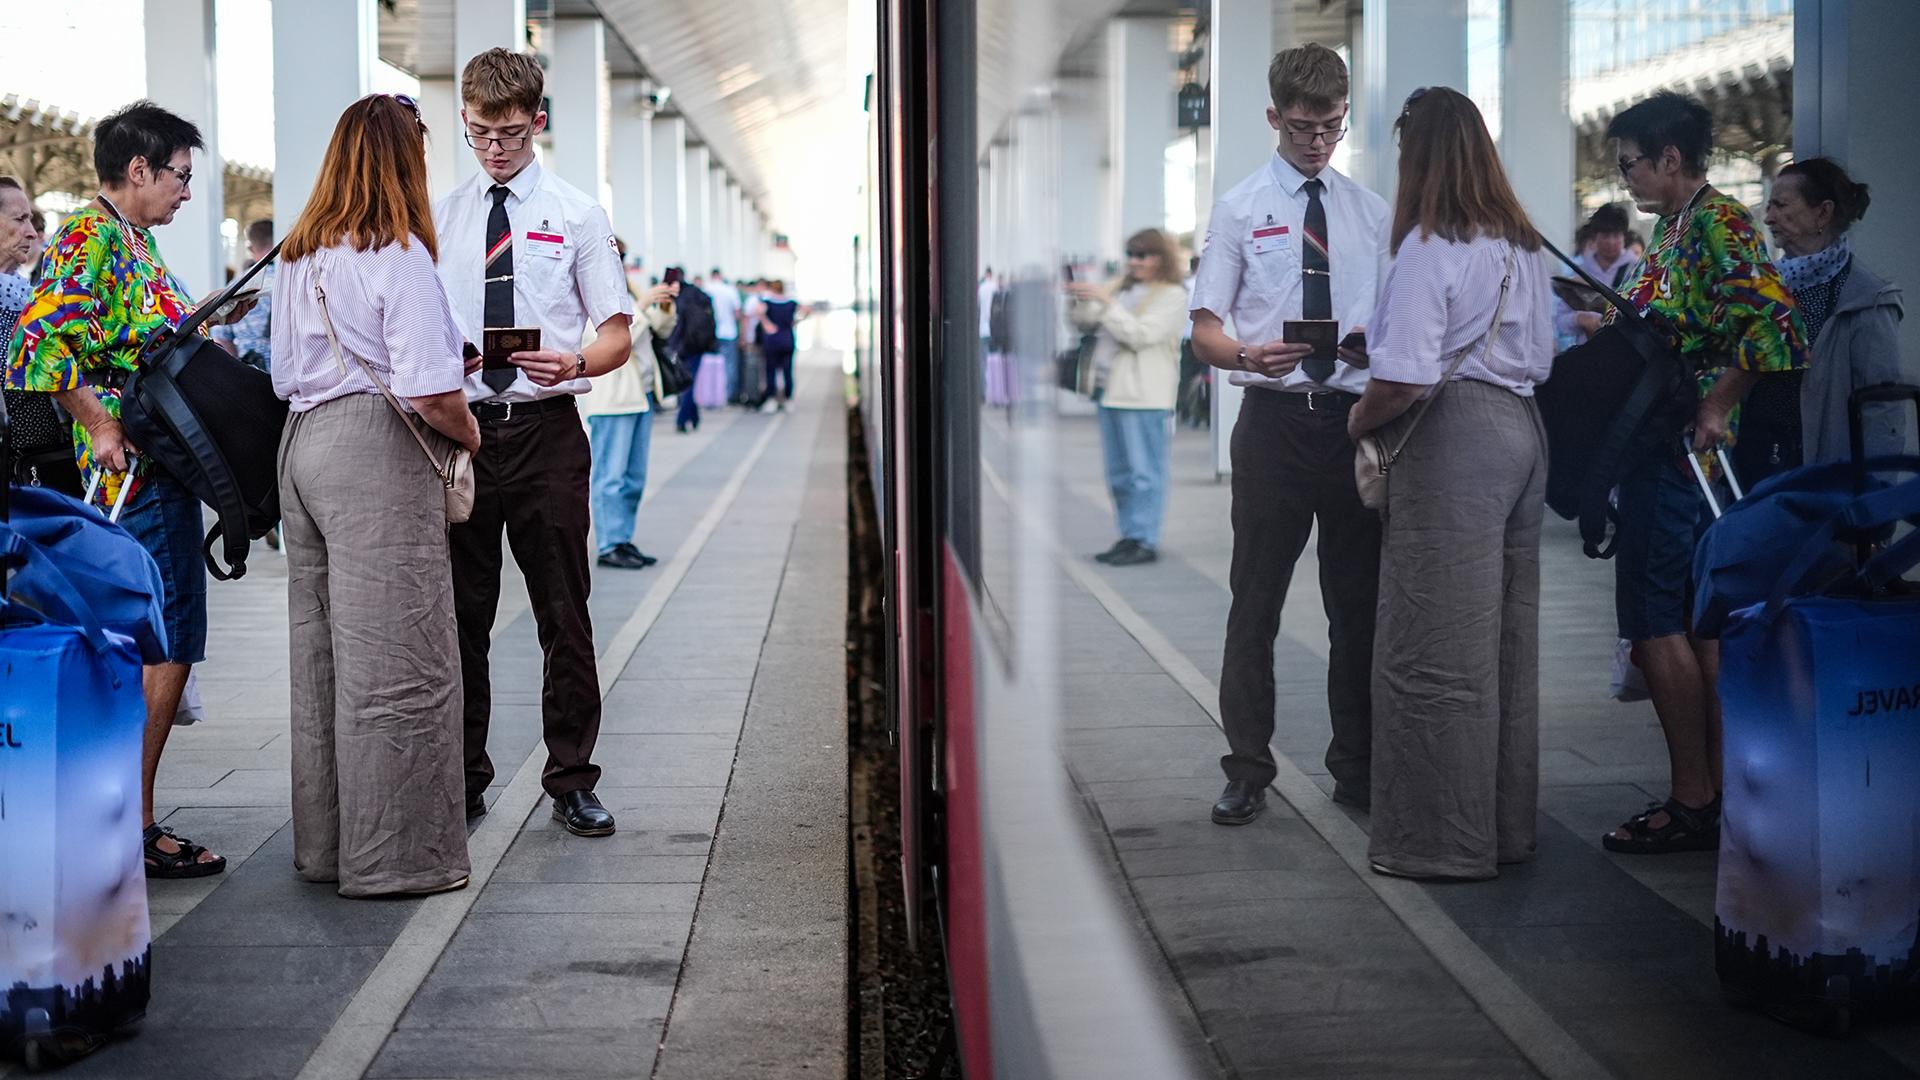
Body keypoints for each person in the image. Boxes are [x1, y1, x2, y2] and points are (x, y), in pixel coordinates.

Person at [5, 101, 259, 877]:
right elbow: (35, 342)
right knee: (164, 639)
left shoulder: (133, 240)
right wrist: (99, 422)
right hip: (134, 472)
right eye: (180, 175)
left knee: (168, 636)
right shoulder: (90, 235)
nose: (188, 190)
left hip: (161, 465)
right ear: (139, 169)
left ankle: (123, 815)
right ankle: (128, 824)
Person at [1343, 87, 1555, 880]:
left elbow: (1403, 378)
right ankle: (1505, 828)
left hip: (1455, 441)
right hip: (1523, 436)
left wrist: (1358, 421)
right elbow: (1540, 353)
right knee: (1506, 641)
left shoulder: (1431, 246)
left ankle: (1438, 843)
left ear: (1416, 157)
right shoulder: (1524, 244)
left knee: (1434, 646)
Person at [270, 93, 478, 897]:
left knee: (320, 656)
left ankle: (326, 847)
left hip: (301, 450)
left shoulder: (296, 254)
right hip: (372, 453)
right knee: (399, 658)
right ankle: (397, 858)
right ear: (405, 163)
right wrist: (471, 435)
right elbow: (429, 388)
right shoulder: (396, 254)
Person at [1188, 44, 1391, 825]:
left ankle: (1358, 766)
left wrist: (1380, 349)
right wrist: (1246, 354)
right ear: (1274, 117)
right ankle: (1246, 767)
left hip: (1351, 423)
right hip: (1272, 425)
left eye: (1332, 127)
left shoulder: (1370, 213)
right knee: (1255, 604)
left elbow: (1398, 318)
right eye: (1305, 127)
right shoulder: (1240, 208)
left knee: (1359, 607)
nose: (1319, 142)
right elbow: (1205, 330)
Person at [1601, 90, 1807, 855]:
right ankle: (1716, 791)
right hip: (1668, 444)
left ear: (1670, 159)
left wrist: (1719, 402)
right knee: (1698, 621)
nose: (1623, 177)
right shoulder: (1674, 230)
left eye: (1630, 164)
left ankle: (1692, 796)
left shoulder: (1717, 224)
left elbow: (1776, 321)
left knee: (1656, 619)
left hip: (1685, 452)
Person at [434, 49, 634, 836]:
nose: (495, 149)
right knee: (460, 616)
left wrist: (576, 361)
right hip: (463, 435)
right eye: (482, 134)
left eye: (510, 135)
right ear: (464, 123)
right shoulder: (440, 215)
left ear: (538, 122)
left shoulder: (578, 214)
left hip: (547, 430)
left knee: (564, 610)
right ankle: (462, 775)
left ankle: (572, 778)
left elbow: (617, 335)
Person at [1764, 158, 1907, 466]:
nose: (1768, 218)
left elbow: (1882, 410)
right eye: (1769, 206)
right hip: (1760, 465)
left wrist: (1873, 494)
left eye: (1781, 206)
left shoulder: (1866, 298)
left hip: (1824, 482)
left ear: (1823, 213)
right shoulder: (1767, 286)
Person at [1068, 227, 1188, 566]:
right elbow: (1085, 322)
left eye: (1142, 255)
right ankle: (1129, 534)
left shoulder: (1172, 295)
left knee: (1144, 472)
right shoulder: (1122, 288)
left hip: (1145, 395)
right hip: (1110, 392)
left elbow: (1140, 335)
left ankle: (1145, 538)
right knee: (1119, 473)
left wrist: (1107, 304)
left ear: (1160, 259)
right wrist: (1082, 298)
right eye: (1131, 254)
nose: (1134, 262)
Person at [584, 240, 678, 570]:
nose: (620, 263)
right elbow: (611, 340)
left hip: (641, 395)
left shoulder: (629, 286)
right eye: (615, 257)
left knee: (634, 476)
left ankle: (623, 538)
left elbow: (658, 330)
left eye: (621, 257)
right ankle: (609, 543)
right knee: (611, 475)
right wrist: (642, 307)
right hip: (612, 399)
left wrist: (663, 307)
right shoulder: (584, 284)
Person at [1, 176, 81, 496]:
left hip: (44, 466)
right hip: (17, 476)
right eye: (20, 220)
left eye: (31, 221)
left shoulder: (26, 297)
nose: (32, 232)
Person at [1555, 204, 1636, 348]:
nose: (1611, 242)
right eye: (1605, 236)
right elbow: (1560, 321)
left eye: (1616, 236)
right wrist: (1579, 319)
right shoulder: (1581, 271)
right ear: (1594, 237)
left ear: (1624, 236)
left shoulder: (1636, 269)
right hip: (1589, 351)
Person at [211, 218, 276, 372]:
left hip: (253, 373)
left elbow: (220, 336)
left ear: (251, 248)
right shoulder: (292, 278)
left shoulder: (238, 284)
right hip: (292, 378)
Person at [758, 278, 801, 409]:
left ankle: (771, 399)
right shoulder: (791, 303)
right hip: (787, 338)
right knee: (787, 371)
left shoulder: (767, 302)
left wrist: (767, 324)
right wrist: (795, 322)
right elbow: (807, 310)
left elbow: (758, 312)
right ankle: (788, 400)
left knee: (770, 370)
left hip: (772, 340)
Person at [708, 267, 743, 404]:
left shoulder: (707, 289)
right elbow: (737, 313)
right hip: (729, 333)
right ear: (721, 276)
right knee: (730, 366)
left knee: (710, 366)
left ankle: (712, 395)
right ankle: (729, 396)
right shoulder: (730, 290)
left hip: (711, 334)